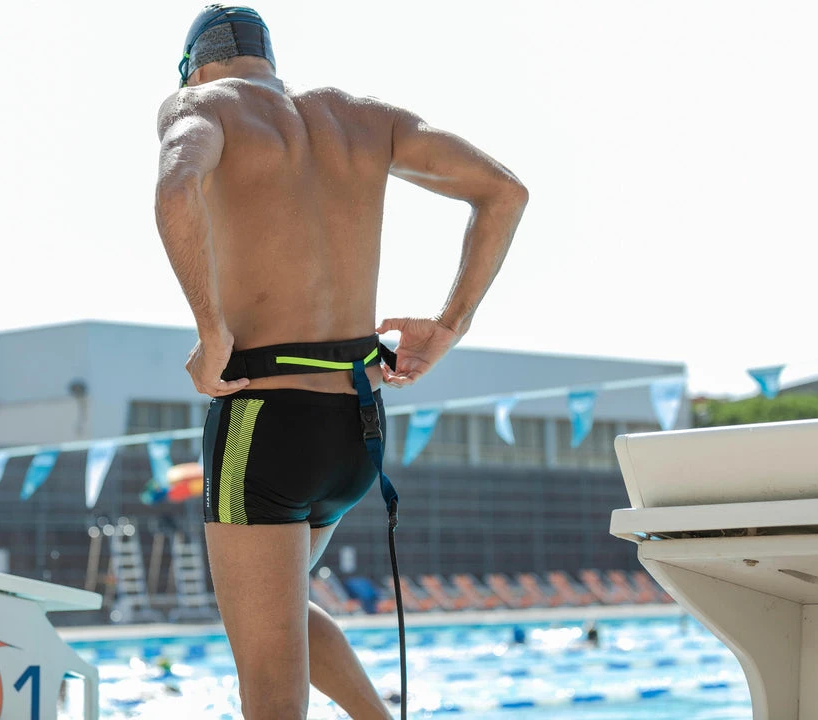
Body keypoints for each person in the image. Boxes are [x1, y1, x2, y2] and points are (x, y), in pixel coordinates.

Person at [154, 5, 528, 719]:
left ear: (193, 68)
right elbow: (504, 191)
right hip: (357, 427)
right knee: (281, 609)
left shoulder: (203, 104)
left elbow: (176, 188)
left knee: (269, 691)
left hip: (264, 418)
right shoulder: (364, 119)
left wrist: (211, 331)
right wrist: (449, 326)